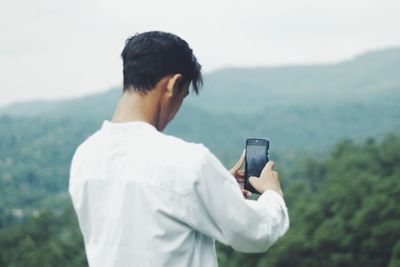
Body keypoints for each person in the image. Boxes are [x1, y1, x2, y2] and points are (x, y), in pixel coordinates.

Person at [69, 31, 289, 267]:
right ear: (173, 84)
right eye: (183, 96)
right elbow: (255, 232)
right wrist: (272, 194)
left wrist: (216, 185)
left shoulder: (85, 156)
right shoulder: (189, 163)